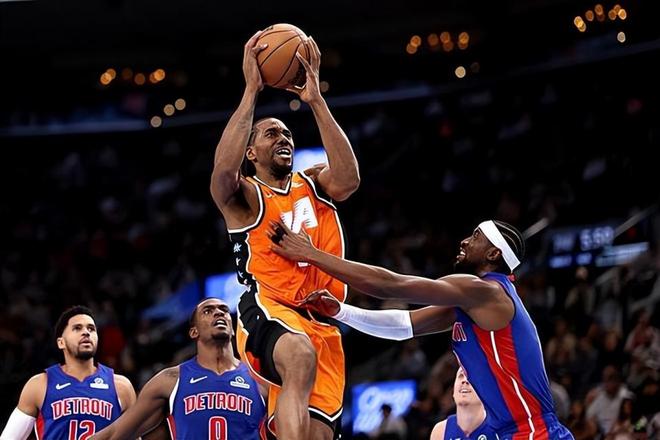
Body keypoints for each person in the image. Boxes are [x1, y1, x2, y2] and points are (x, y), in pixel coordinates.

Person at [270, 219, 574, 439]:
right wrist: (342, 311)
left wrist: (311, 254)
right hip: (509, 432)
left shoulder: (486, 291)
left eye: (475, 236)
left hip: (534, 432)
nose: (464, 241)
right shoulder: (473, 304)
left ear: (493, 254)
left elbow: (391, 285)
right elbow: (404, 326)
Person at [209, 30, 360, 440]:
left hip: (324, 323)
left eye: (288, 134)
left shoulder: (314, 183)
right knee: (298, 354)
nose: (284, 138)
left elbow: (349, 179)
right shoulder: (247, 196)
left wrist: (316, 100)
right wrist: (251, 91)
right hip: (270, 307)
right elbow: (222, 174)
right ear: (251, 153)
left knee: (319, 433)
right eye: (271, 134)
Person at [92, 298, 266, 440]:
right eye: (208, 311)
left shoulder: (260, 379)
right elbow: (116, 433)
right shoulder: (171, 379)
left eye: (224, 310)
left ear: (233, 330)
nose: (219, 313)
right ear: (194, 332)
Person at [0, 305, 136, 440]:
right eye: (77, 328)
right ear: (61, 343)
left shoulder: (121, 386)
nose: (86, 332)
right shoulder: (39, 385)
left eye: (91, 329)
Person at [431, 367, 492, 440]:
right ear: (453, 391)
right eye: (461, 375)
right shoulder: (440, 431)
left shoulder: (499, 430)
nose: (465, 380)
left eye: (472, 376)